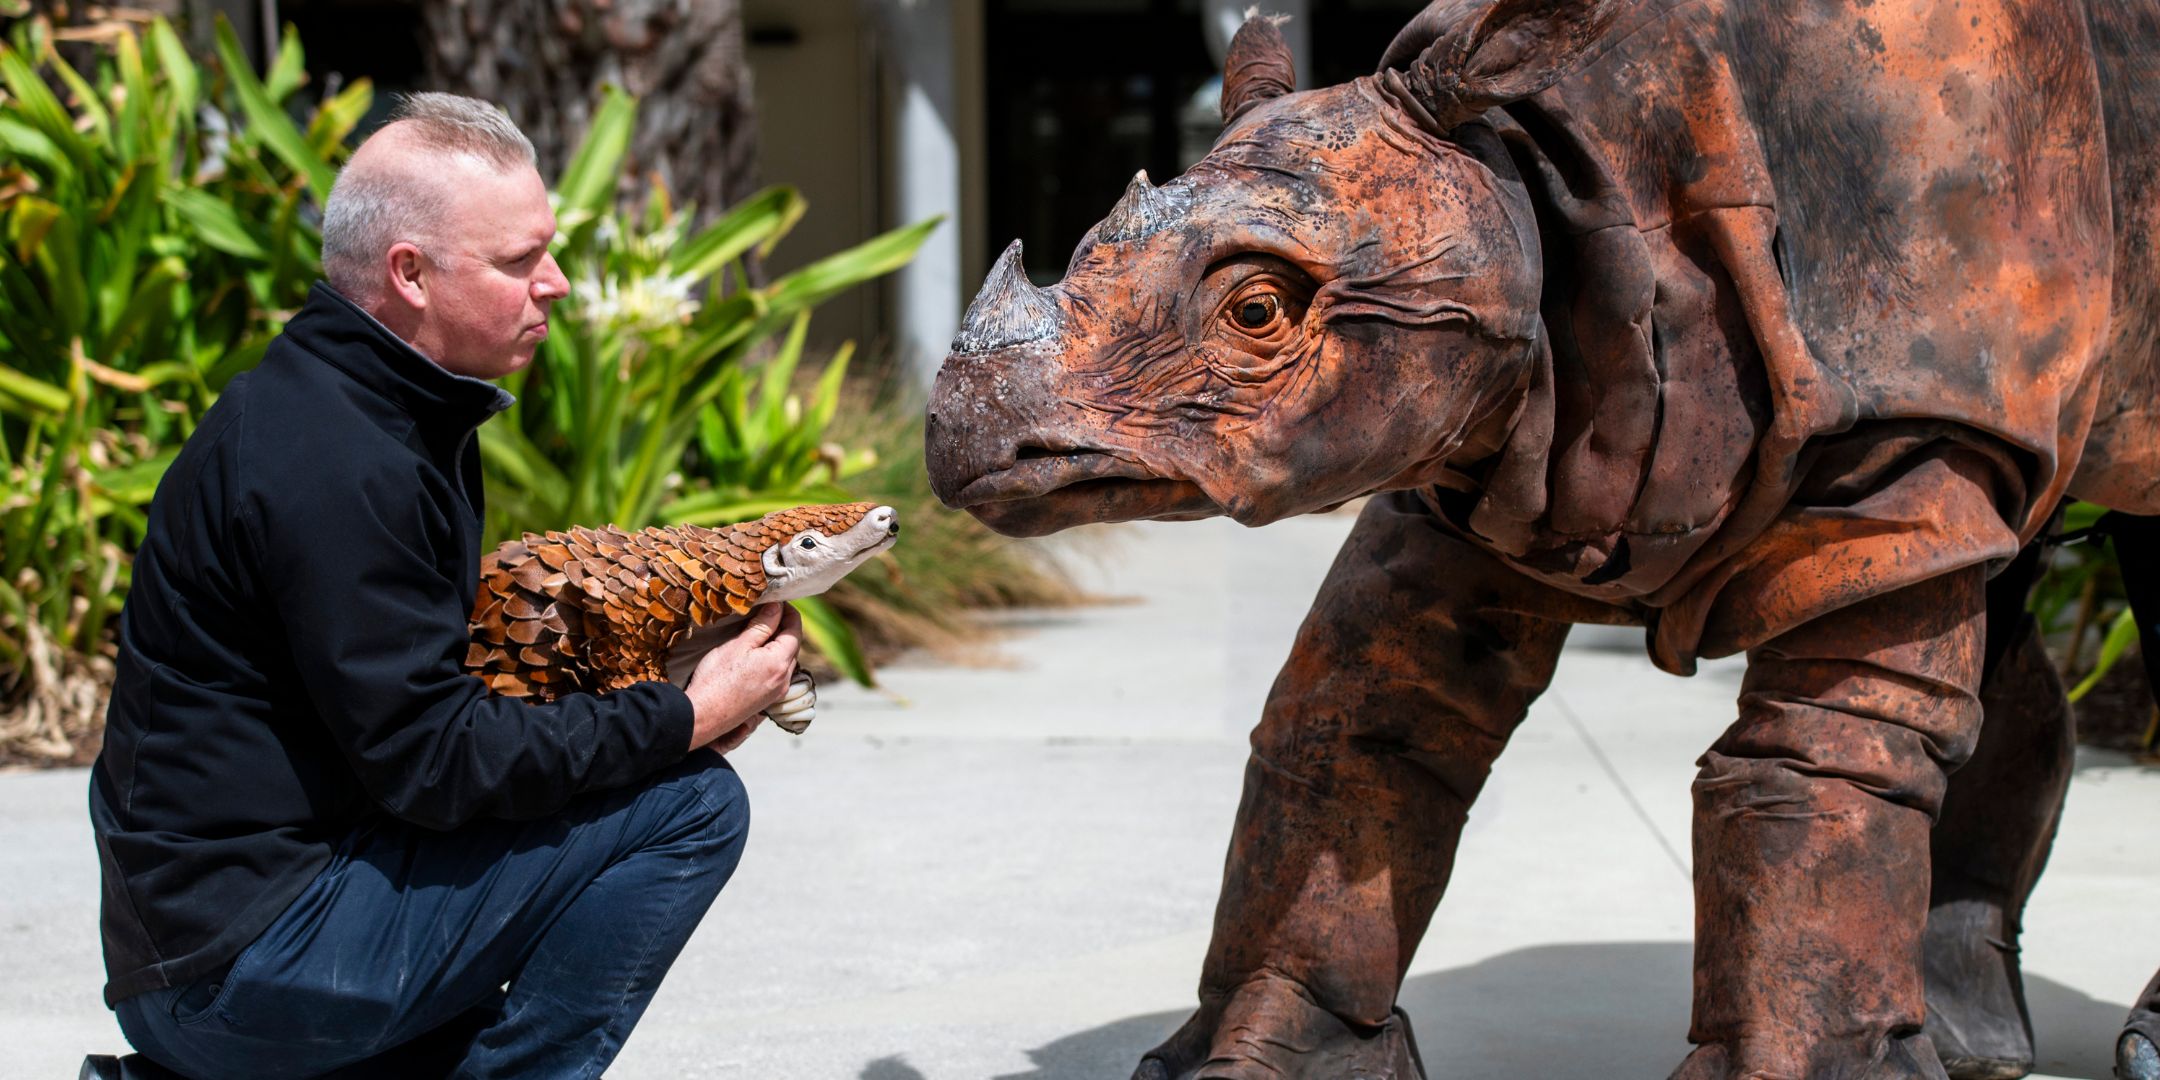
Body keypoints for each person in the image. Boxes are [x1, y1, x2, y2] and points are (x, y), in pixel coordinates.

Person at [85, 92, 802, 1079]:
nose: (553, 284)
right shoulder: (336, 460)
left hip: (229, 940)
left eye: (547, 250)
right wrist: (677, 716)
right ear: (408, 274)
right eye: (517, 262)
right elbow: (436, 763)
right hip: (237, 967)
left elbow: (412, 720)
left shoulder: (367, 412)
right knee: (688, 808)